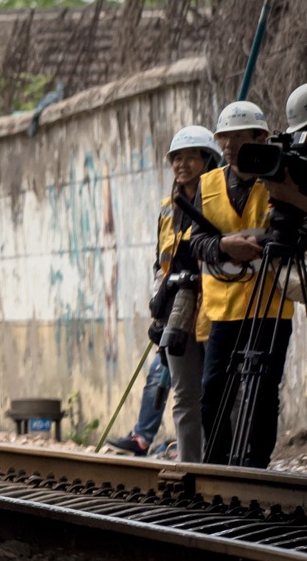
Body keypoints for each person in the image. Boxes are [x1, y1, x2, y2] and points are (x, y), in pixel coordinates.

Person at [188, 100, 301, 467]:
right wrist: (223, 246)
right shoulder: (207, 184)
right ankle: (217, 465)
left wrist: (258, 246)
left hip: (270, 304)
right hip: (224, 309)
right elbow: (196, 242)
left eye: (238, 138)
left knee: (264, 391)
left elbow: (296, 233)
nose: (229, 146)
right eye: (224, 138)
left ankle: (256, 469)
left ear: (262, 138)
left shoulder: (282, 178)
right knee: (213, 394)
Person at [114, 125, 219, 459]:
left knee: (216, 392)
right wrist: (158, 306)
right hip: (176, 310)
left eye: (190, 157)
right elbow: (160, 261)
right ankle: (192, 466)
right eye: (177, 158)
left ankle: (223, 464)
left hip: (216, 306)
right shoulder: (167, 208)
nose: (182, 164)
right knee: (184, 394)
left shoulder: (218, 200)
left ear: (207, 160)